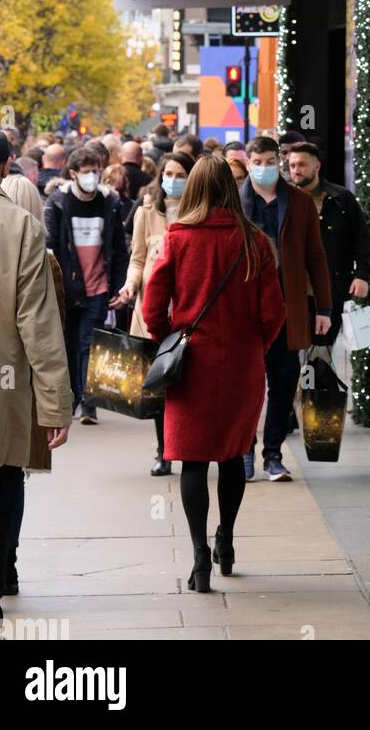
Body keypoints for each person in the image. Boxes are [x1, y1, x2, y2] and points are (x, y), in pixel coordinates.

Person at [142, 156, 286, 593]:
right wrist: (254, 347)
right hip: (242, 362)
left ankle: (199, 555)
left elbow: (153, 305)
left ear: (193, 189)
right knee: (233, 453)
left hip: (192, 362)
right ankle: (226, 539)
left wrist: (169, 336)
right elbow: (273, 312)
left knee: (192, 457)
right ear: (230, 187)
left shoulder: (178, 236)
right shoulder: (255, 241)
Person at [0, 126, 71, 636]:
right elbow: (38, 323)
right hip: (0, 392)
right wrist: (55, 405)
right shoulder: (20, 227)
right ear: (7, 165)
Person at [240, 136, 332, 480]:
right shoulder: (234, 203)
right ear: (248, 163)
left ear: (278, 161)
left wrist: (323, 308)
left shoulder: (299, 202)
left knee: (282, 383)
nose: (264, 168)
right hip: (245, 312)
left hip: (286, 308)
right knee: (248, 386)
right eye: (257, 162)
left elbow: (315, 256)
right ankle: (244, 451)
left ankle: (273, 455)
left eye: (269, 161)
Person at [111, 152, 195, 476]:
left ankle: (185, 445)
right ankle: (164, 450)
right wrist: (130, 286)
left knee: (185, 385)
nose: (172, 179)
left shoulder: (197, 211)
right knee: (159, 382)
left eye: (179, 173)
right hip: (152, 310)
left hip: (187, 310)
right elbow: (138, 258)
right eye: (167, 173)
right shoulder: (147, 211)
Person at [44, 147, 129, 425]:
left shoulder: (110, 202)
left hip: (98, 286)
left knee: (87, 344)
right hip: (68, 288)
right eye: (87, 171)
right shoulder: (58, 203)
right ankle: (73, 397)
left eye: (96, 171)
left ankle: (88, 403)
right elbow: (51, 247)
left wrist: (118, 287)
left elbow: (118, 249)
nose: (93, 176)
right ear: (73, 174)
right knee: (69, 344)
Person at [287, 143, 370, 345]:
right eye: (292, 165)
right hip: (293, 289)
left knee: (322, 350)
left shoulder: (340, 198)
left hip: (330, 286)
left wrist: (361, 275)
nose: (296, 170)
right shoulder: (284, 199)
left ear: (317, 166)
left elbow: (361, 237)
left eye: (302, 165)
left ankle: (317, 376)